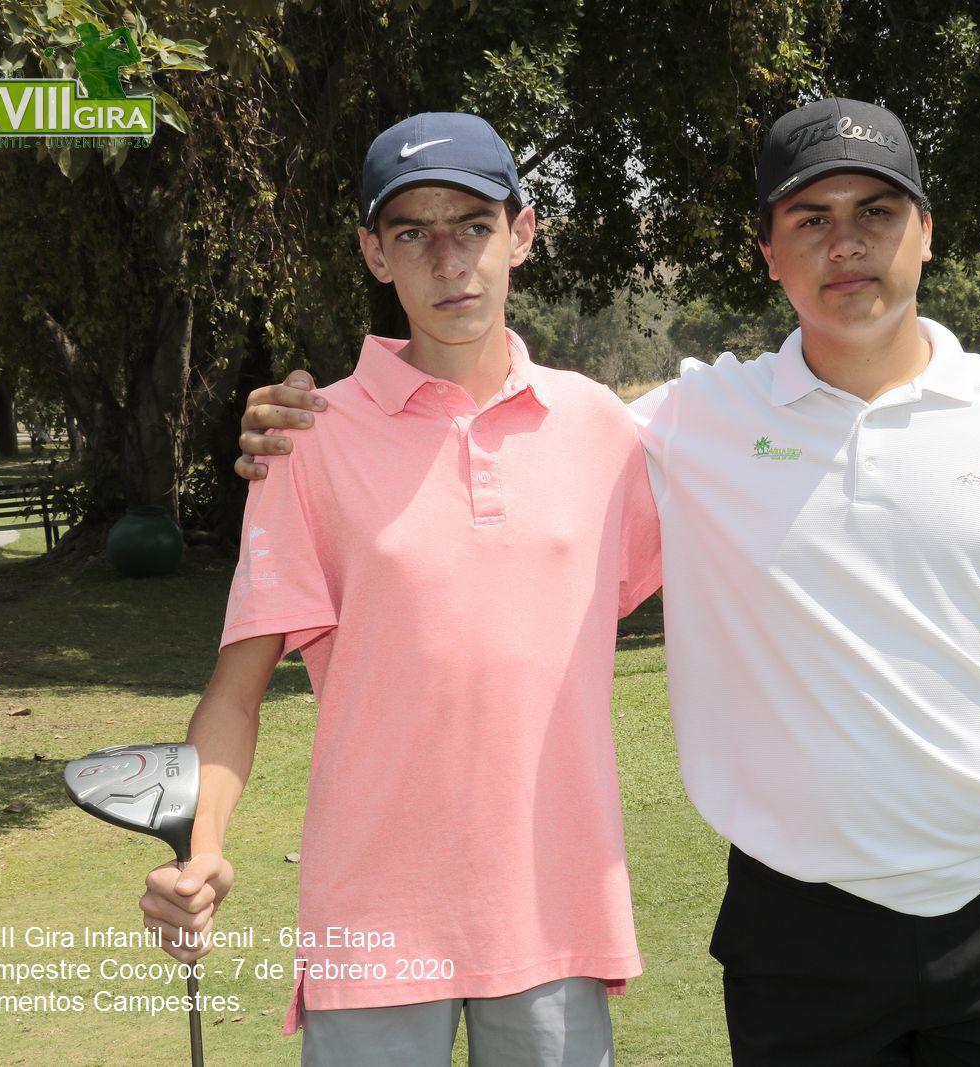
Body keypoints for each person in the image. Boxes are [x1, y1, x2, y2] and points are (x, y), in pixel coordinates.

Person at [235, 98, 980, 1065]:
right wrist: (308, 427)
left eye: (877, 211)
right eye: (811, 219)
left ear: (926, 232)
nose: (847, 243)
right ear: (769, 253)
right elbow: (499, 439)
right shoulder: (692, 423)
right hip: (799, 929)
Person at [137, 112, 661, 1067]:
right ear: (375, 253)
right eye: (413, 233)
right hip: (372, 920)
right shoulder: (307, 439)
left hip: (554, 914)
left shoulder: (601, 429)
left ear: (522, 233)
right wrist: (203, 843)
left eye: (473, 225)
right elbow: (236, 691)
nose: (448, 260)